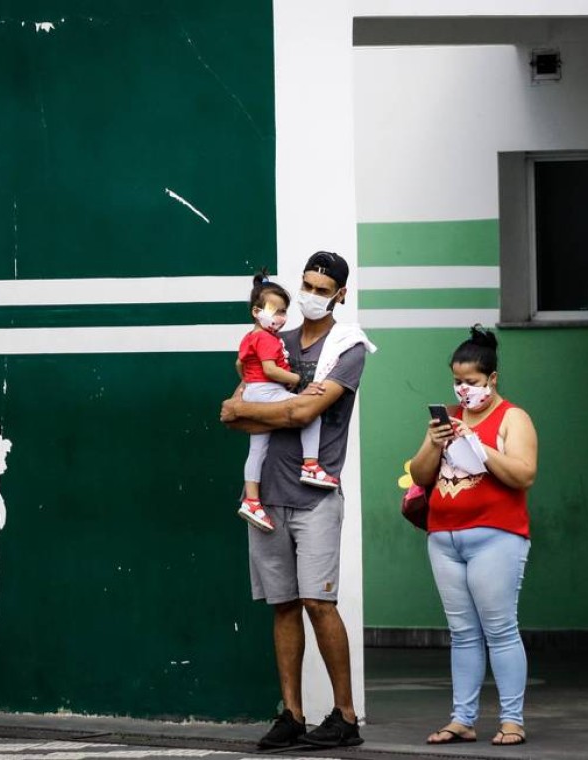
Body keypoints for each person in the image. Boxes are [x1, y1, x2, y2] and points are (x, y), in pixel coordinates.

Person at [220, 251, 376, 749]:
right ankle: (291, 714)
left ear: (341, 295)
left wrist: (271, 410)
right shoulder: (275, 340)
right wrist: (282, 410)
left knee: (318, 601)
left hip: (315, 497)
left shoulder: (347, 349)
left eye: (322, 288)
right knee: (283, 605)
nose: (310, 294)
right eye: (306, 284)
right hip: (265, 498)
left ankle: (346, 718)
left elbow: (304, 411)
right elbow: (231, 412)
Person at [408, 325, 538, 748]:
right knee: (461, 632)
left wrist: (481, 448)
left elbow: (524, 474)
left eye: (473, 383)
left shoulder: (512, 417)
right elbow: (421, 475)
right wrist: (434, 441)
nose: (464, 391)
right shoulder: (448, 416)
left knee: (500, 629)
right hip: (444, 537)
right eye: (458, 381)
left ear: (493, 379)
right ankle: (462, 718)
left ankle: (512, 720)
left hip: (496, 536)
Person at [236, 270, 339, 533]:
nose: (281, 318)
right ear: (257, 311)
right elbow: (271, 370)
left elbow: (240, 363)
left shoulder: (250, 337)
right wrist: (294, 378)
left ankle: (251, 499)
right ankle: (311, 465)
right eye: (275, 311)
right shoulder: (268, 339)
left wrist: (247, 383)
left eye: (284, 312)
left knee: (257, 451)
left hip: (254, 391)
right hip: (268, 390)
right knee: (310, 412)